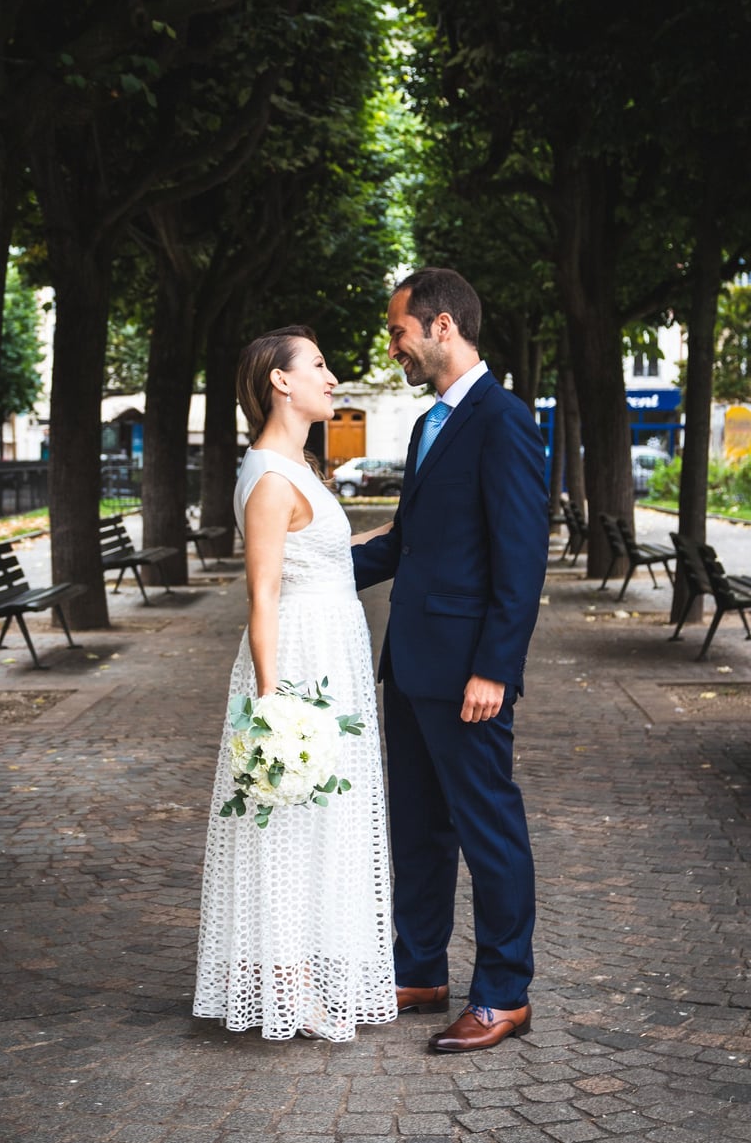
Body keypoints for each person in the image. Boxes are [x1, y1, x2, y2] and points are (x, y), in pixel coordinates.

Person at [352, 268, 548, 1053]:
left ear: (440, 327)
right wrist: (307, 564)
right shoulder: (428, 423)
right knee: (419, 826)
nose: (392, 346)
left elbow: (521, 557)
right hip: (410, 663)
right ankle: (420, 966)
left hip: (470, 671)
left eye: (399, 331)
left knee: (487, 827)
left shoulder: (503, 420)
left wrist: (495, 668)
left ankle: (504, 990)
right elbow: (405, 544)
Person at [193, 325, 397, 1041]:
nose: (332, 377)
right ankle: (289, 986)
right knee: (294, 817)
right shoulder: (272, 477)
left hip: (332, 646)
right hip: (303, 657)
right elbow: (264, 593)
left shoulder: (300, 466)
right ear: (281, 381)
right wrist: (273, 706)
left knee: (323, 818)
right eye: (318, 365)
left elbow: (334, 554)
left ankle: (305, 970)